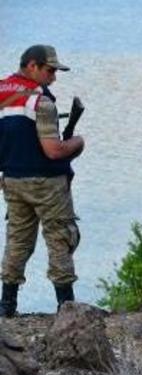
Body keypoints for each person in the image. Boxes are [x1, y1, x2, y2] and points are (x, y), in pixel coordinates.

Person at [0, 45, 85, 316]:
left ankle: (6, 306)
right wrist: (77, 143)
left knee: (17, 240)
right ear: (32, 65)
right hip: (47, 184)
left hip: (12, 181)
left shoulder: (2, 91)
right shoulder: (42, 102)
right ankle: (66, 307)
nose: (53, 77)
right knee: (60, 239)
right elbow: (53, 151)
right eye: (50, 70)